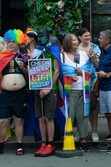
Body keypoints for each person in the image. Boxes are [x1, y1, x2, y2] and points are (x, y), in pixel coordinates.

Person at [27, 28, 60, 157]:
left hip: (50, 89)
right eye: (39, 36)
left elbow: (57, 71)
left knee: (48, 117)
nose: (41, 38)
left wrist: (48, 87)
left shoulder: (53, 51)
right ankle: (43, 142)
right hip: (37, 87)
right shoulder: (36, 52)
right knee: (40, 117)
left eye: (42, 35)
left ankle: (51, 144)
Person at [61, 34, 94, 152]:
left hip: (84, 90)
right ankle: (69, 138)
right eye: (74, 40)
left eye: (76, 39)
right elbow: (59, 74)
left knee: (82, 115)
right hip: (70, 91)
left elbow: (91, 71)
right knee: (70, 114)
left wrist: (82, 73)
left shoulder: (83, 55)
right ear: (67, 43)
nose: (76, 41)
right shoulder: (62, 56)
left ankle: (83, 138)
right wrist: (69, 78)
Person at [0, 29, 29, 155]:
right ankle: (1, 145)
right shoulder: (2, 56)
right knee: (2, 120)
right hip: (4, 93)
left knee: (18, 120)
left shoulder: (24, 57)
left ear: (19, 43)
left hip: (20, 93)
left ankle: (19, 146)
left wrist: (23, 68)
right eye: (9, 41)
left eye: (13, 41)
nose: (11, 44)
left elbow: (31, 76)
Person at [77, 28, 101, 143]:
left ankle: (94, 131)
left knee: (92, 106)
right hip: (78, 80)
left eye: (89, 36)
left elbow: (98, 65)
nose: (87, 38)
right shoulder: (75, 48)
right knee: (79, 106)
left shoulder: (94, 47)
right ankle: (80, 131)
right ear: (79, 37)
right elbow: (74, 62)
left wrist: (93, 58)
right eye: (85, 36)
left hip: (91, 80)